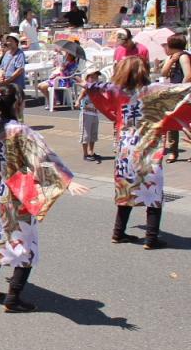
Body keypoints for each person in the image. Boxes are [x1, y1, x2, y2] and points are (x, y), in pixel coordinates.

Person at [0, 84, 88, 312]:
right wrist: (66, 180)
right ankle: (13, 297)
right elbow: (43, 158)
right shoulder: (20, 131)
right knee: (24, 246)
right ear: (17, 104)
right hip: (15, 195)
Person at [86, 57, 191, 249]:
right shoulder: (153, 92)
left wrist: (87, 83)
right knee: (152, 192)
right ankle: (151, 238)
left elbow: (95, 88)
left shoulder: (116, 91)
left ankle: (118, 233)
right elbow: (183, 92)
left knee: (126, 190)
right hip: (147, 149)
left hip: (125, 149)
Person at [161, 34, 191, 162]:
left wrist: (181, 90)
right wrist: (172, 60)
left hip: (184, 95)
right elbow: (163, 73)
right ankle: (173, 152)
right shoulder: (173, 57)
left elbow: (188, 75)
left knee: (186, 123)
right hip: (175, 94)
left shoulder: (184, 56)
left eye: (167, 44)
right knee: (173, 122)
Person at [77, 66, 102, 161]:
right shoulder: (86, 88)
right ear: (87, 78)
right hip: (86, 113)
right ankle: (85, 154)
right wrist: (78, 101)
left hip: (95, 113)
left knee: (93, 134)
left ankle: (91, 151)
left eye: (96, 77)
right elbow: (81, 95)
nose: (95, 79)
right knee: (86, 135)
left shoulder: (97, 88)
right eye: (92, 77)